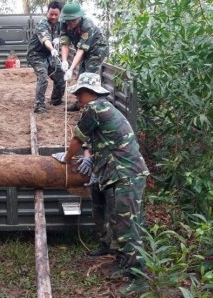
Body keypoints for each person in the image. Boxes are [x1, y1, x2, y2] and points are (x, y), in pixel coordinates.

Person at [52, 72, 149, 280]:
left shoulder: (96, 108)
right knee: (117, 220)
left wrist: (67, 158)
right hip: (116, 172)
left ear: (91, 92)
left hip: (127, 174)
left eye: (80, 93)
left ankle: (138, 275)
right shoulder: (102, 108)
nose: (77, 97)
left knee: (127, 225)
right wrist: (89, 158)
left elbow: (78, 138)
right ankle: (118, 255)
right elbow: (93, 141)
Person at [58, 2, 109, 111]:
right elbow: (65, 44)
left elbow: (81, 50)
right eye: (68, 20)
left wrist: (71, 69)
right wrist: (64, 61)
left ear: (79, 17)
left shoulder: (87, 26)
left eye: (73, 20)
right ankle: (79, 103)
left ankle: (91, 107)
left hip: (97, 50)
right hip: (83, 49)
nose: (70, 23)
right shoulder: (63, 24)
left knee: (88, 77)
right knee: (81, 77)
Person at [27, 0, 65, 114]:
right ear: (47, 12)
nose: (53, 17)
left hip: (49, 55)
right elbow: (45, 39)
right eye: (51, 14)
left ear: (60, 14)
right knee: (43, 76)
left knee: (61, 74)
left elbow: (65, 37)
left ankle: (56, 100)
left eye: (56, 14)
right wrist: (52, 48)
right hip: (36, 55)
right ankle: (39, 106)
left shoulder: (60, 24)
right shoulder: (42, 24)